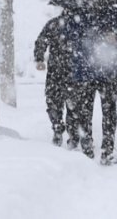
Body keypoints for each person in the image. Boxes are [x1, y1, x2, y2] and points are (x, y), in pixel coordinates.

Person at [68, 5, 117, 165]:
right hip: (84, 72)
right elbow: (69, 38)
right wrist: (88, 39)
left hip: (108, 72)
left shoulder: (114, 13)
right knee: (84, 112)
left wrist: (116, 38)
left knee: (109, 111)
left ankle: (107, 151)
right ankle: (87, 150)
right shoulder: (77, 14)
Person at [34, 8, 77, 148]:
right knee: (73, 105)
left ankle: (58, 128)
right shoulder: (80, 25)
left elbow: (41, 41)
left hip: (55, 71)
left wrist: (39, 58)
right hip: (74, 72)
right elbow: (41, 41)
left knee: (54, 102)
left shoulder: (54, 23)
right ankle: (72, 134)